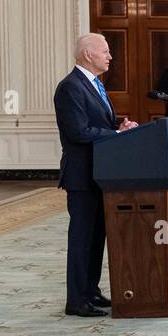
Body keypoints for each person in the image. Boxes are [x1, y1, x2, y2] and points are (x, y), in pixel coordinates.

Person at [54, 33, 138, 317]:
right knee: (81, 239)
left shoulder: (93, 85)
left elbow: (95, 123)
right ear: (88, 54)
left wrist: (118, 126)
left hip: (100, 174)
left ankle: (91, 291)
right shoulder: (70, 87)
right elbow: (78, 132)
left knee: (96, 236)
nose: (110, 56)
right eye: (105, 51)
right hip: (81, 176)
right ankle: (76, 300)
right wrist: (115, 134)